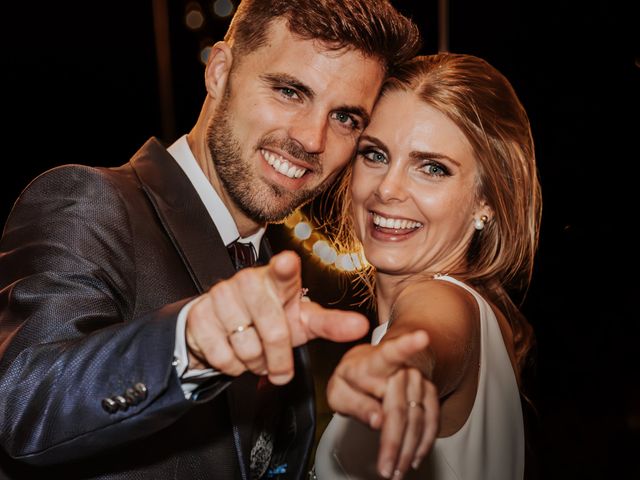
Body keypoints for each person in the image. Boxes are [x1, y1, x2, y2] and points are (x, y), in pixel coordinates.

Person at [0, 1, 423, 478]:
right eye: (289, 91)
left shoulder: (273, 266)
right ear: (220, 72)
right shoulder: (94, 201)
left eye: (345, 118)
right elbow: (21, 403)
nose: (312, 138)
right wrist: (189, 342)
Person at [313, 53, 542, 480]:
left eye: (432, 168)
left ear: (486, 201)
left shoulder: (442, 299)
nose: (388, 188)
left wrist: (403, 367)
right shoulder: (486, 315)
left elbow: (427, 338)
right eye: (375, 155)